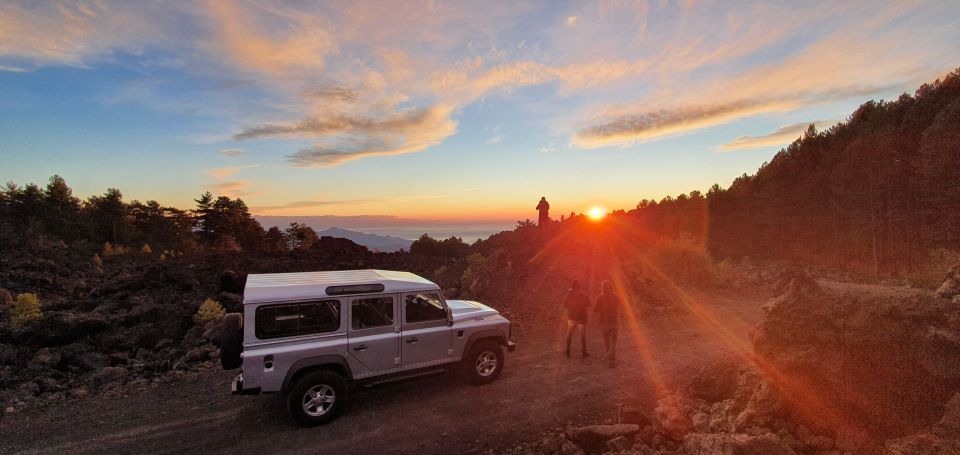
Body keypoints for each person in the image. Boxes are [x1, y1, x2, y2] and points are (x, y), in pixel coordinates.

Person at [594, 280, 621, 367]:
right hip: (614, 321)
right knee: (614, 340)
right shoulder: (615, 297)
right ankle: (611, 357)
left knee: (607, 340)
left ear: (602, 288)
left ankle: (610, 358)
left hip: (604, 322)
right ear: (612, 288)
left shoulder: (600, 297)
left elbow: (595, 310)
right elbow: (619, 305)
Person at [564, 279, 591, 358]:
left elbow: (565, 305)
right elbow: (589, 304)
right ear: (580, 286)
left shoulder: (569, 295)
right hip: (581, 318)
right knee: (582, 336)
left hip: (571, 318)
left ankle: (568, 351)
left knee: (569, 335)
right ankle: (584, 353)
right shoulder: (583, 296)